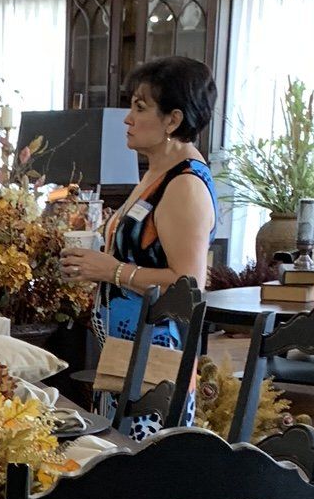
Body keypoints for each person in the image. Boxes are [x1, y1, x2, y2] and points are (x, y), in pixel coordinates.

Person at [71, 55, 218, 346]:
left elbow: (188, 287)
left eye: (140, 108)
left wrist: (111, 271)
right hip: (125, 349)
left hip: (156, 354)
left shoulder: (184, 185)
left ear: (173, 120)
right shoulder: (156, 172)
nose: (127, 118)